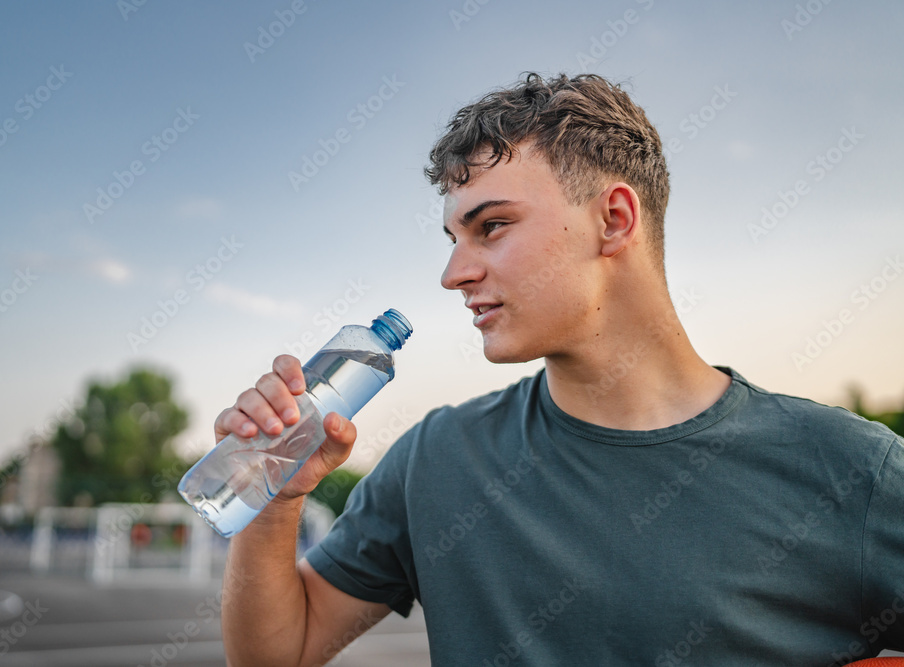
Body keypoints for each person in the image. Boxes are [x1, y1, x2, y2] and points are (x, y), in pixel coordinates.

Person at [217, 73, 904, 666]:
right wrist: (273, 501)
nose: (455, 273)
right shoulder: (437, 459)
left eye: (491, 227)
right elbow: (281, 651)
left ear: (613, 218)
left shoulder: (854, 470)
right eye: (453, 238)